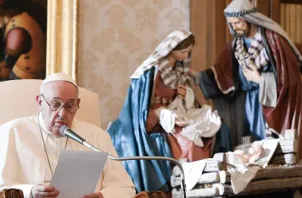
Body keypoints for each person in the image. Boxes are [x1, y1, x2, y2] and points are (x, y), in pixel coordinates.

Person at [108, 30, 231, 193]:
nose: (185, 56)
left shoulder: (180, 70)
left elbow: (188, 102)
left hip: (178, 113)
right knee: (190, 140)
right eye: (182, 52)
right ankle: (191, 185)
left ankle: (210, 179)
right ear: (171, 50)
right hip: (159, 120)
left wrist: (186, 95)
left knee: (216, 127)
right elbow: (144, 107)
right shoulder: (152, 73)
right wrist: (165, 115)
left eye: (188, 52)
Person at [0, 73, 136, 198]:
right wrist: (31, 192)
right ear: (40, 102)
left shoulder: (97, 136)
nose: (62, 113)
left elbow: (125, 188)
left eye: (69, 106)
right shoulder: (11, 132)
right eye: (55, 104)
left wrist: (103, 196)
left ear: (77, 104)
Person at [196, 0, 302, 156]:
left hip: (268, 99)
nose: (235, 27)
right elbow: (222, 71)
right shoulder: (237, 43)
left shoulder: (272, 39)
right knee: (250, 140)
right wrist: (199, 76)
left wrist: (260, 79)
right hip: (247, 100)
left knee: (266, 141)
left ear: (249, 19)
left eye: (238, 22)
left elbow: (290, 77)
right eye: (231, 24)